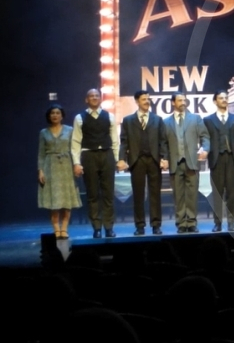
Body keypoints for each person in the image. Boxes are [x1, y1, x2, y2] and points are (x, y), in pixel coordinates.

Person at [117, 91, 168, 236]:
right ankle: (139, 225)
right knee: (138, 195)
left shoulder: (157, 119)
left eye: (148, 99)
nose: (147, 101)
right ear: (137, 101)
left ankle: (156, 225)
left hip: (154, 160)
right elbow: (124, 142)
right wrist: (121, 158)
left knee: (155, 194)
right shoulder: (128, 120)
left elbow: (163, 141)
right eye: (144, 99)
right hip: (136, 160)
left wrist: (164, 158)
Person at [71, 88, 120, 238]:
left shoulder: (109, 116)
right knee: (92, 194)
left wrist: (117, 159)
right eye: (91, 96)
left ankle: (109, 227)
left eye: (97, 95)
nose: (94, 97)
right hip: (89, 155)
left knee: (108, 193)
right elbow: (76, 141)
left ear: (100, 98)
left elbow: (115, 139)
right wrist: (76, 163)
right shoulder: (79, 118)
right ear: (86, 99)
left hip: (106, 154)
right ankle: (97, 227)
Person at [163, 92, 210, 233]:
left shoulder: (195, 118)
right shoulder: (166, 122)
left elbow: (205, 136)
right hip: (175, 163)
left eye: (184, 100)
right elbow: (163, 143)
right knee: (178, 195)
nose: (183, 102)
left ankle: (191, 222)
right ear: (173, 103)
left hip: (192, 162)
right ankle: (181, 223)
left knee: (192, 194)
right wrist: (164, 158)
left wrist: (205, 149)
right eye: (180, 100)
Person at [38, 104, 82, 239]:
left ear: (62, 116)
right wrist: (40, 170)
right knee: (54, 200)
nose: (55, 115)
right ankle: (56, 228)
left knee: (66, 199)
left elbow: (75, 149)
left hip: (66, 166)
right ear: (49, 116)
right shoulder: (44, 132)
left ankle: (64, 228)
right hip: (50, 167)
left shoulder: (70, 130)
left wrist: (76, 165)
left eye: (57, 113)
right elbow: (41, 153)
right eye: (52, 113)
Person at [203, 90, 234, 232]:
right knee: (217, 193)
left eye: (226, 98)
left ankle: (231, 222)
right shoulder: (208, 120)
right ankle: (218, 223)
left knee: (232, 192)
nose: (224, 100)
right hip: (216, 159)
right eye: (221, 98)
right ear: (215, 101)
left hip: (232, 158)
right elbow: (205, 139)